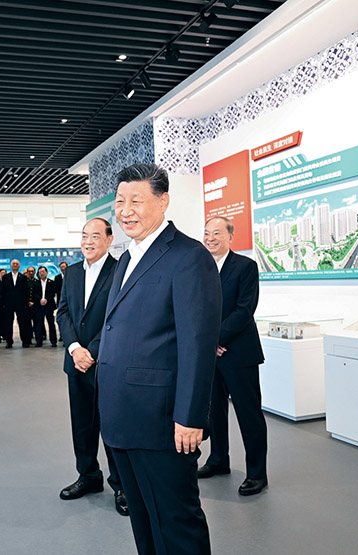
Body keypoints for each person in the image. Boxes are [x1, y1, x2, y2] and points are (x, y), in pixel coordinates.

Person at [97, 163, 221, 554]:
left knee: (175, 523)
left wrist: (190, 416)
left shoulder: (188, 256)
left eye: (136, 200)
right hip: (121, 415)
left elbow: (197, 344)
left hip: (162, 421)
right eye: (120, 201)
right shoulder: (126, 257)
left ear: (163, 201)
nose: (125, 211)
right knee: (143, 520)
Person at [56, 218, 126, 516]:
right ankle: (88, 476)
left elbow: (118, 317)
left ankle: (121, 485)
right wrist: (75, 348)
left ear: (109, 240)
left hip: (107, 363)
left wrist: (91, 351)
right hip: (76, 363)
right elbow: (63, 312)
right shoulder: (71, 272)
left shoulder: (120, 270)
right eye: (84, 235)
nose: (88, 241)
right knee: (82, 425)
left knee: (112, 426)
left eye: (95, 236)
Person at [199, 217, 268, 496]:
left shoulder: (245, 266)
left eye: (217, 233)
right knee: (215, 411)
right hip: (210, 354)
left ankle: (257, 474)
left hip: (239, 352)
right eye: (206, 233)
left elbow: (245, 309)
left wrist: (217, 339)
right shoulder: (200, 267)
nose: (210, 238)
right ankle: (218, 460)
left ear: (230, 236)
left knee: (248, 415)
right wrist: (208, 342)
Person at [1, 259, 32, 348]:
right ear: (11, 266)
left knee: (22, 323)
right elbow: (3, 291)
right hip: (9, 303)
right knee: (8, 323)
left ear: (19, 266)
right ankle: (9, 342)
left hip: (20, 303)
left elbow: (26, 291)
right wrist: (3, 303)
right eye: (13, 264)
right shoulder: (5, 277)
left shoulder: (23, 277)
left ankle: (25, 341)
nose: (15, 265)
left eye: (16, 264)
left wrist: (26, 302)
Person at [30, 266, 57, 347]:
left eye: (43, 271)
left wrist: (46, 299)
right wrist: (40, 300)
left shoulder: (51, 282)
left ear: (46, 272)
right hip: (39, 306)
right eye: (40, 272)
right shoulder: (35, 283)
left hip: (49, 305)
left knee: (51, 323)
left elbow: (53, 293)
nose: (41, 273)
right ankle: (39, 341)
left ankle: (53, 341)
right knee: (39, 324)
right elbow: (34, 293)